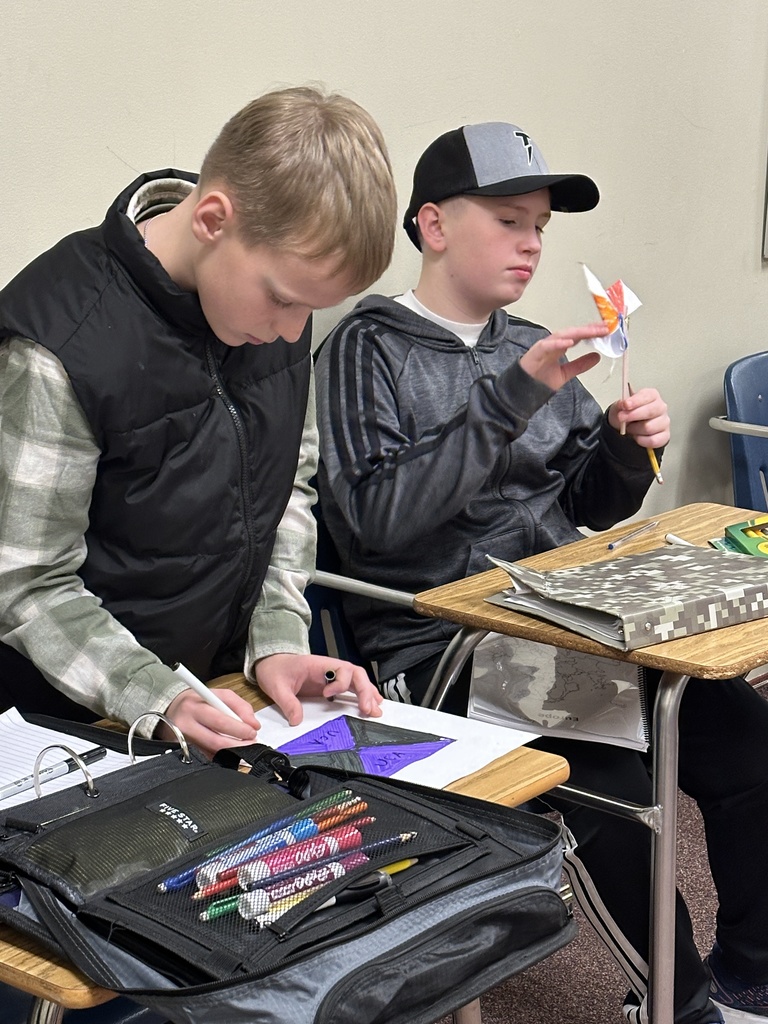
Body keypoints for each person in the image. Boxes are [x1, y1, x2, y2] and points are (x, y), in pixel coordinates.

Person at [314, 121, 768, 1023]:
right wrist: (516, 393)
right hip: (447, 644)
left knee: (749, 741)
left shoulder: (528, 340)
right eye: (511, 220)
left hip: (573, 618)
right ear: (434, 225)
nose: (532, 243)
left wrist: (625, 446)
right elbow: (375, 528)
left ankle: (752, 969)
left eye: (541, 228)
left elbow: (591, 512)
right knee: (619, 792)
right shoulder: (368, 349)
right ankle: (681, 1005)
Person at [0, 85, 395, 754]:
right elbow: (27, 583)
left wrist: (274, 640)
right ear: (213, 220)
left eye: (312, 310)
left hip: (212, 705)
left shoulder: (269, 309)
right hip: (64, 731)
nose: (293, 332)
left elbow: (288, 491)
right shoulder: (57, 344)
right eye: (283, 301)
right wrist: (153, 695)